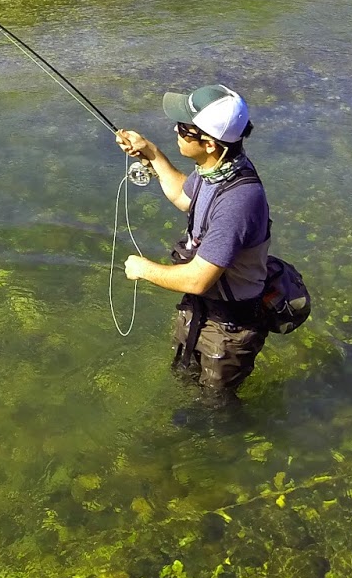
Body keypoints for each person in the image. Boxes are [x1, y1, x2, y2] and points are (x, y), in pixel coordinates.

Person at [116, 84, 272, 411]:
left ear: (209, 143)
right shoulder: (215, 168)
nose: (175, 129)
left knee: (215, 407)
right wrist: (152, 153)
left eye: (184, 129)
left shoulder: (239, 201)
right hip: (200, 309)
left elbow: (198, 279)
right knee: (183, 378)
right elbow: (185, 198)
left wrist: (143, 269)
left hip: (229, 326)